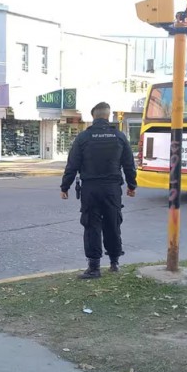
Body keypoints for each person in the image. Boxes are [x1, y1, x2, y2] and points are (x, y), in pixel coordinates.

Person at [60, 102, 137, 279]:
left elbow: (72, 165)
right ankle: (114, 262)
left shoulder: (83, 138)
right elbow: (128, 165)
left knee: (91, 225)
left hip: (91, 189)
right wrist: (132, 186)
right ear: (108, 116)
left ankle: (94, 267)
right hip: (112, 189)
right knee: (113, 223)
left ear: (93, 116)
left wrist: (65, 187)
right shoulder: (119, 136)